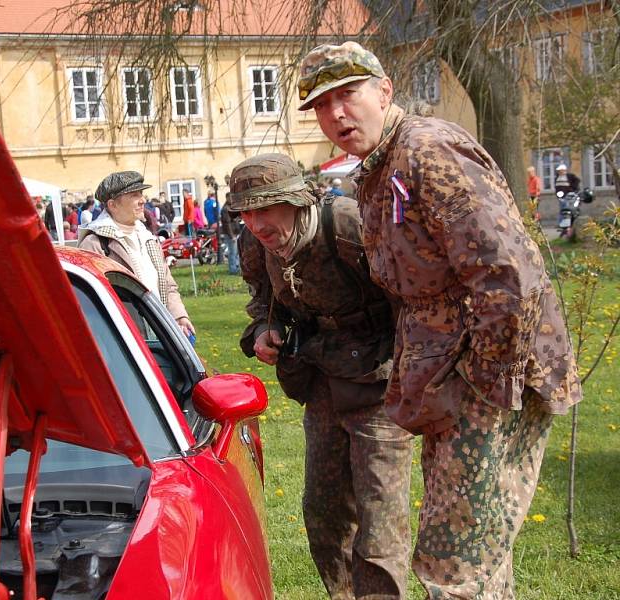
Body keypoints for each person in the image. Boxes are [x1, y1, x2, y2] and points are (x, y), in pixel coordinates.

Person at [298, 40, 581, 597]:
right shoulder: (380, 166)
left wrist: (482, 381)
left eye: (347, 94)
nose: (335, 114)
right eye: (321, 104)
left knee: (454, 562)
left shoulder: (427, 150)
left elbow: (507, 275)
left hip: (487, 377)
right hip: (449, 376)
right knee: (476, 553)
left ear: (384, 91)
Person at [230, 153, 413, 600]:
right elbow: (261, 298)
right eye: (246, 212)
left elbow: (411, 298)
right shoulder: (254, 244)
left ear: (295, 201)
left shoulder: (351, 227)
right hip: (322, 382)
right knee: (324, 513)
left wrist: (413, 375)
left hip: (378, 384)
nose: (255, 223)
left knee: (379, 520)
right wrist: (264, 329)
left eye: (265, 208)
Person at [79, 171, 195, 338]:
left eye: (141, 194)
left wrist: (179, 316)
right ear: (113, 205)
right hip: (125, 341)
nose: (143, 200)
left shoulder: (148, 238)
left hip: (160, 333)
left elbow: (168, 286)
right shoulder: (95, 243)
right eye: (134, 195)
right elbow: (91, 301)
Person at [219, 194, 242, 274]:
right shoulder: (225, 209)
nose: (232, 199)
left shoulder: (231, 207)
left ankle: (237, 267)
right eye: (230, 198)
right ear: (227, 198)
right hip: (230, 234)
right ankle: (233, 269)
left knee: (236, 252)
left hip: (235, 232)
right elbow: (227, 224)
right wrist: (231, 235)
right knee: (232, 252)